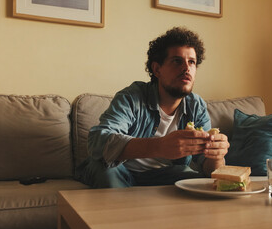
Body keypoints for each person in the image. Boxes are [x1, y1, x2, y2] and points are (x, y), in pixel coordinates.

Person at [76, 27, 229, 188]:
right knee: (106, 170)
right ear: (157, 69)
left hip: (163, 175)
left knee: (194, 180)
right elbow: (98, 140)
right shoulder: (132, 97)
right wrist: (159, 146)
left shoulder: (196, 106)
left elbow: (208, 168)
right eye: (177, 61)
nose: (186, 68)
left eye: (191, 62)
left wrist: (216, 155)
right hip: (121, 170)